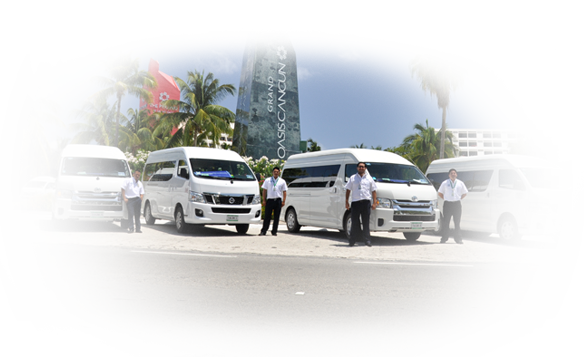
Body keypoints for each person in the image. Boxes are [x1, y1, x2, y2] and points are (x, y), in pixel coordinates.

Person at [345, 162, 377, 247]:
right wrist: (346, 201)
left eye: (363, 167)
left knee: (366, 222)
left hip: (366, 202)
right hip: (356, 202)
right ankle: (352, 241)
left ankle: (367, 240)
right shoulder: (353, 178)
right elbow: (348, 190)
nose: (361, 168)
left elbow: (374, 191)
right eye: (360, 167)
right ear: (357, 168)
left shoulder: (369, 179)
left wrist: (374, 203)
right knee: (354, 222)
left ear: (365, 168)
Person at [438, 168, 468, 244]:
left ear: (456, 174)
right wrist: (445, 198)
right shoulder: (445, 183)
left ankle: (458, 238)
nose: (453, 174)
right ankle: (444, 238)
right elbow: (440, 193)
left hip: (457, 204)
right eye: (451, 173)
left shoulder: (460, 183)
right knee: (446, 222)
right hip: (448, 204)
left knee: (457, 222)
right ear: (449, 175)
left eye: (454, 173)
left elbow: (465, 193)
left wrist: (459, 198)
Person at [259, 167, 287, 236]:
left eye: (277, 172)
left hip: (278, 200)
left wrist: (283, 201)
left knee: (276, 217)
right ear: (272, 172)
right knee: (267, 216)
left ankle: (274, 231)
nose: (276, 173)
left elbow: (284, 191)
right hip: (270, 200)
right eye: (275, 171)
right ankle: (264, 231)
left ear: (279, 172)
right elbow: (264, 190)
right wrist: (264, 200)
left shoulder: (282, 181)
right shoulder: (268, 180)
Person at [561, 173, 584, 251]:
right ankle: (572, 245)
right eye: (577, 181)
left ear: (581, 181)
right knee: (571, 229)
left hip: (582, 212)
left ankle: (582, 245)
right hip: (572, 212)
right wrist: (563, 210)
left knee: (582, 230)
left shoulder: (583, 190)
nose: (578, 182)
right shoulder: (570, 189)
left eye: (579, 181)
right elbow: (564, 200)